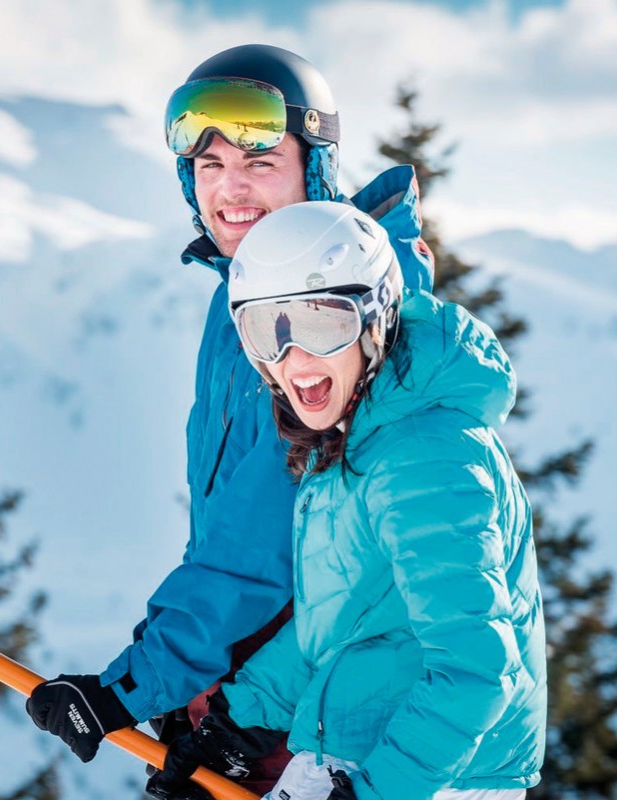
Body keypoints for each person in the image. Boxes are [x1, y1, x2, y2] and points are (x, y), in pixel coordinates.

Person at [25, 45, 436, 795]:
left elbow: (270, 537)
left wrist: (134, 685)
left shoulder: (335, 310)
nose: (229, 190)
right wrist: (202, 682)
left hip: (325, 709)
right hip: (260, 682)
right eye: (208, 168)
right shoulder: (242, 292)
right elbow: (228, 532)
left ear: (313, 169)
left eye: (257, 164)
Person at [150, 201, 547, 800]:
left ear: (376, 315)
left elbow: (477, 670)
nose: (294, 360)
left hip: (436, 777)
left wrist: (376, 792)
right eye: (267, 331)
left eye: (321, 323)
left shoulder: (424, 452)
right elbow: (340, 622)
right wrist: (237, 724)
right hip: (356, 752)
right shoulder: (350, 435)